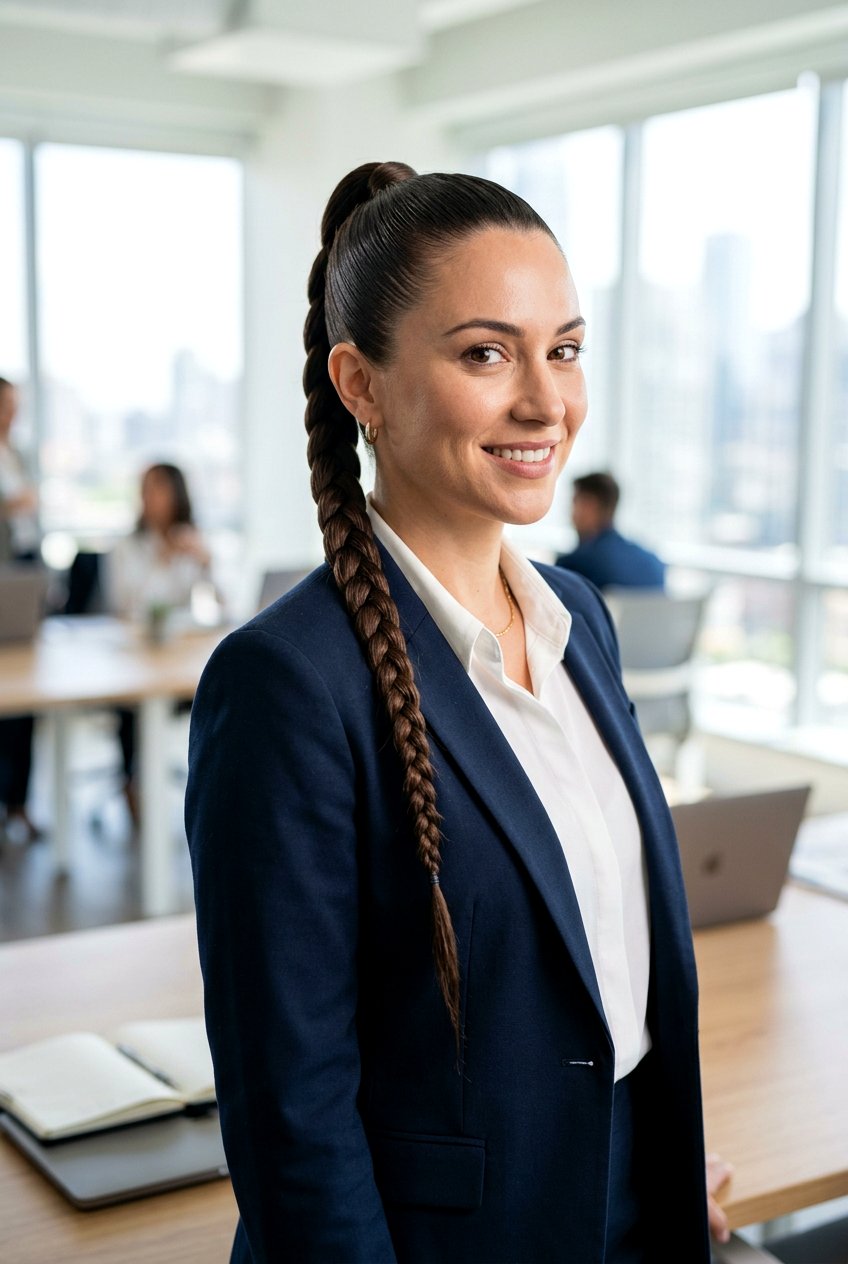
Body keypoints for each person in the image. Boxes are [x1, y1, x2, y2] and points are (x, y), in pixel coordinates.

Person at [186, 162, 731, 1263]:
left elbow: (599, 968)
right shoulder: (286, 683)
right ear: (361, 385)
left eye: (563, 349)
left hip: (619, 1199)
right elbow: (292, 1116)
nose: (545, 401)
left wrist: (655, 1172)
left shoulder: (579, 617)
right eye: (486, 352)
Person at [106, 463, 211, 818]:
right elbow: (131, 607)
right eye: (145, 489)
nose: (149, 497)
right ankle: (131, 782)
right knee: (132, 705)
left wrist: (208, 563)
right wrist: (163, 561)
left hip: (178, 658)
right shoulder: (127, 548)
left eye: (158, 489)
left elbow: (224, 605)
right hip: (135, 658)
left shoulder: (190, 539)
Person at [0, 377, 41, 842]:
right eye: (7, 405)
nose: (13, 414)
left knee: (26, 695)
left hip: (24, 567)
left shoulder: (19, 456)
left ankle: (18, 804)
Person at [555, 471, 666, 591]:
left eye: (575, 503)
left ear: (589, 506)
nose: (571, 515)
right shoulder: (653, 563)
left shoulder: (574, 564)